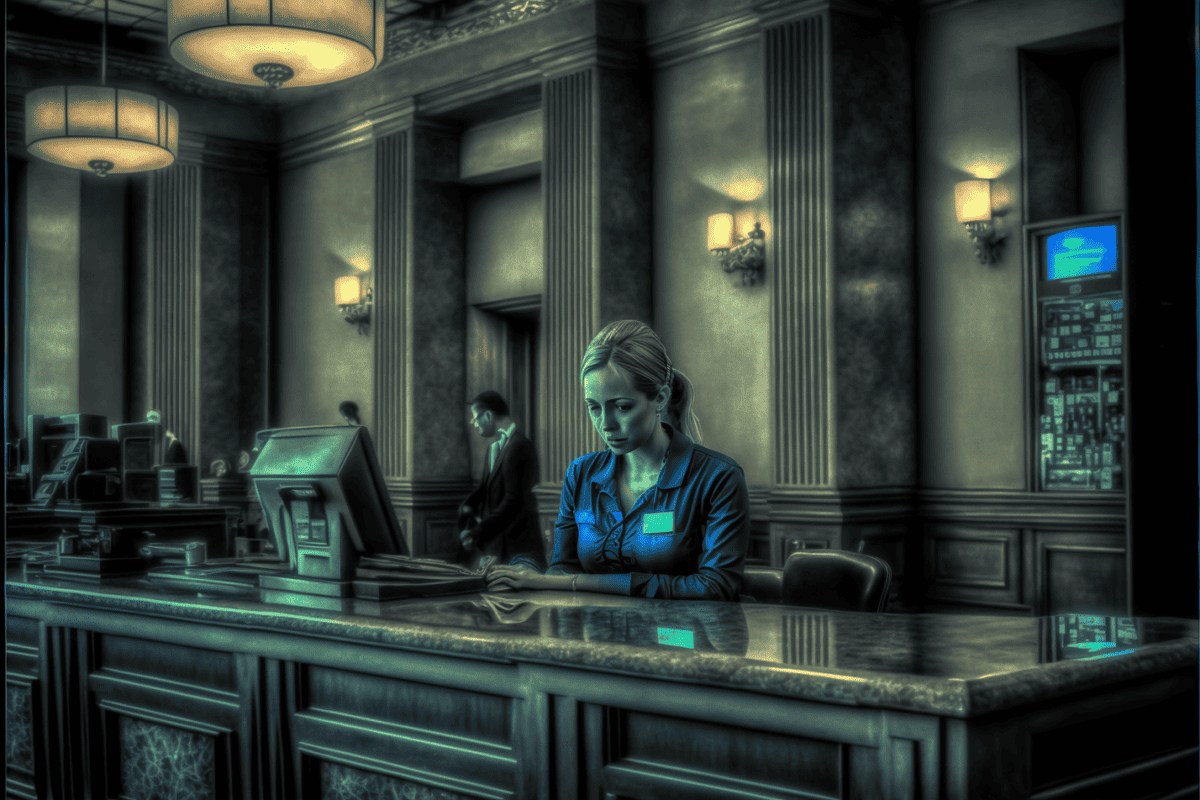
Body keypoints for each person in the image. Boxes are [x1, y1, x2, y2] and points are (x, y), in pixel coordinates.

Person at [487, 320, 750, 600]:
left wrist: (577, 582)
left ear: (660, 397)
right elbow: (561, 571)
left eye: (622, 407)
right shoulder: (581, 474)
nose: (606, 424)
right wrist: (533, 572)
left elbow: (714, 588)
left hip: (682, 640)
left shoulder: (719, 477)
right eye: (594, 407)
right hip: (596, 637)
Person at [457, 391, 547, 571]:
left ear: (488, 415)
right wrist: (468, 504)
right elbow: (485, 486)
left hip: (516, 549)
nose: (472, 423)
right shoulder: (494, 448)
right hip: (496, 545)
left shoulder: (520, 446)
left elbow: (513, 501)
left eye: (475, 417)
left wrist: (477, 532)